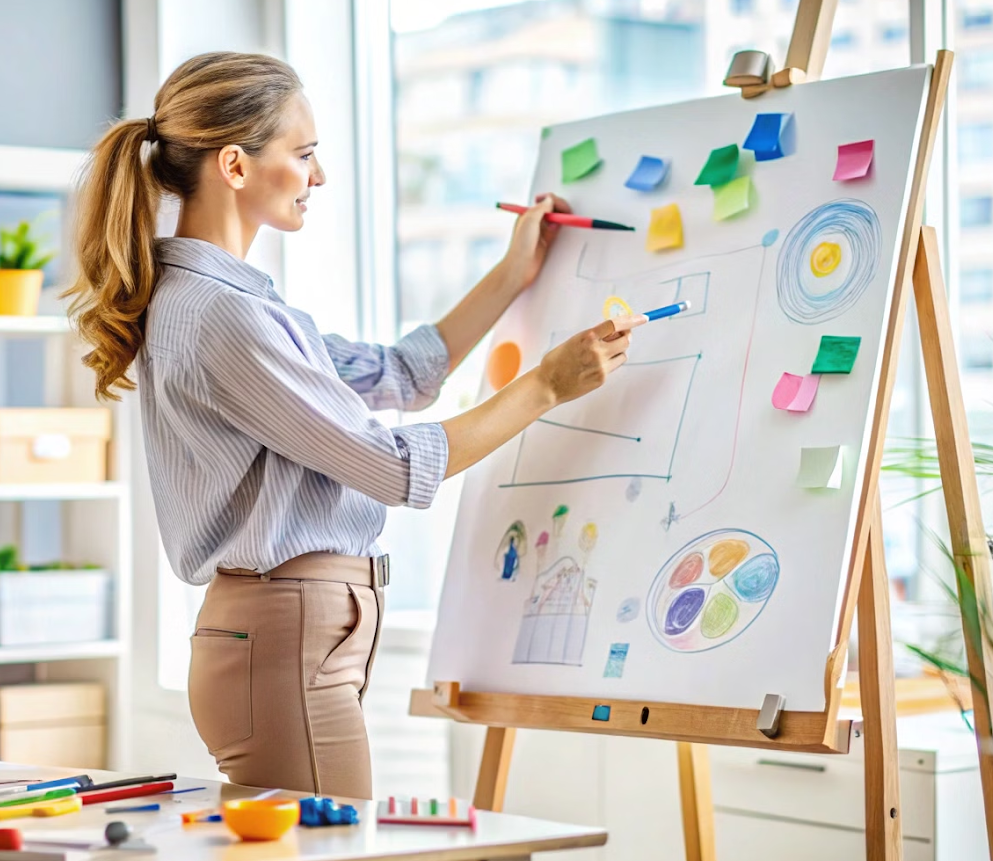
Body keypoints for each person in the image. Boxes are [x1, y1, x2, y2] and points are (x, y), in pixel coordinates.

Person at [67, 51, 645, 799]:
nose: (320, 176)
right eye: (304, 154)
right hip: (284, 643)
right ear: (235, 166)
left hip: (285, 639)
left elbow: (400, 375)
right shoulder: (225, 317)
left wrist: (512, 275)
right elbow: (395, 467)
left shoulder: (233, 305)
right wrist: (545, 386)